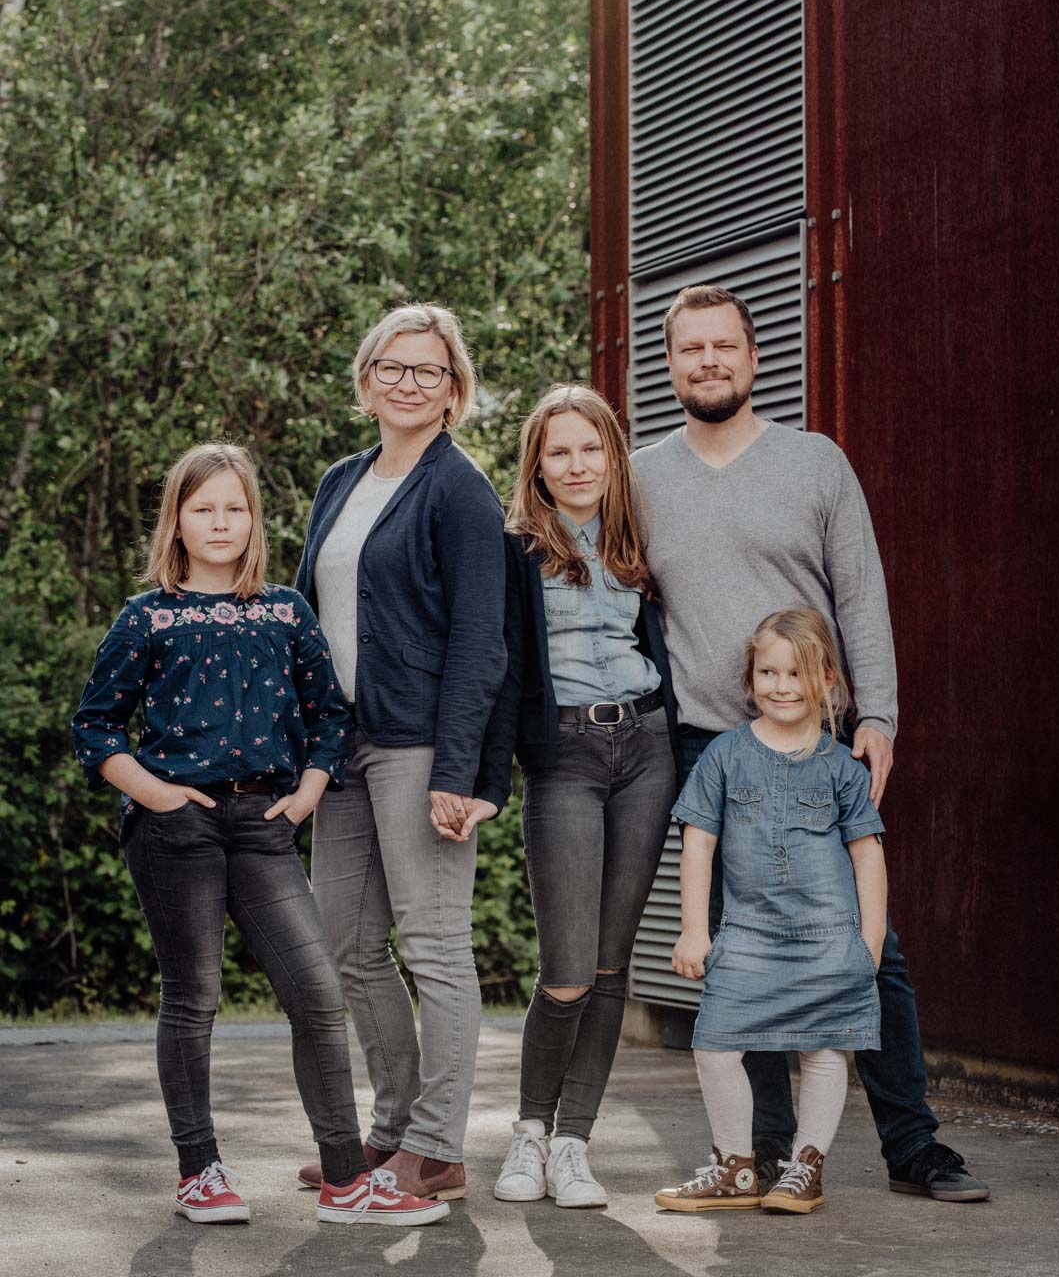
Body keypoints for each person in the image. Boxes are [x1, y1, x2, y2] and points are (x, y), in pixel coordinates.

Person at [631, 284, 989, 1203]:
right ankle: (766, 1153)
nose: (708, 362)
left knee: (874, 949)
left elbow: (860, 593)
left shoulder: (816, 463)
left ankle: (912, 1146)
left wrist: (879, 717)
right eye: (689, 350)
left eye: (724, 347)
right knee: (744, 948)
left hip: (815, 742)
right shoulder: (640, 478)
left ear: (754, 358)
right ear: (668, 364)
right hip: (709, 742)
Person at [71, 442, 447, 1229]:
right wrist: (156, 795)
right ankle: (199, 1170)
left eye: (234, 508)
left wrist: (310, 789)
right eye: (202, 508)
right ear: (176, 520)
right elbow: (96, 726)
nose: (220, 522)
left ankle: (347, 1179)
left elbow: (329, 716)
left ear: (254, 520)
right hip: (177, 830)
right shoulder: (149, 617)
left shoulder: (284, 610)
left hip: (265, 825)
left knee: (316, 993)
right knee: (195, 998)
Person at [293, 303, 507, 1204]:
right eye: (393, 366)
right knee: (344, 944)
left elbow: (479, 640)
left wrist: (461, 771)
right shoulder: (341, 480)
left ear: (453, 391)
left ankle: (439, 1147)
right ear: (366, 378)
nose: (407, 382)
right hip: (339, 746)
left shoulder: (461, 490)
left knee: (432, 942)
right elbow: (311, 620)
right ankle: (390, 1134)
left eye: (428, 371)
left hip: (420, 744)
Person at [477, 384, 683, 1209]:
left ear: (613, 457)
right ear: (537, 464)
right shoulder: (516, 548)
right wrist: (485, 776)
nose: (577, 465)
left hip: (647, 748)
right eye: (558, 451)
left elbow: (664, 639)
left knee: (608, 968)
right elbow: (494, 671)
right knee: (565, 969)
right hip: (562, 753)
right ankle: (528, 1134)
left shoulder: (639, 538)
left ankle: (573, 1145)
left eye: (591, 449)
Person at [654, 608, 887, 1215]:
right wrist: (693, 931)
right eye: (768, 672)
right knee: (715, 1043)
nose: (782, 687)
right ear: (749, 678)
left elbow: (868, 857)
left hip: (830, 936)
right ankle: (735, 1168)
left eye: (796, 674)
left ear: (828, 681)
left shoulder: (842, 768)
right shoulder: (725, 756)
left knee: (825, 1048)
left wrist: (870, 942)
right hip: (747, 935)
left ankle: (804, 1168)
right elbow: (698, 843)